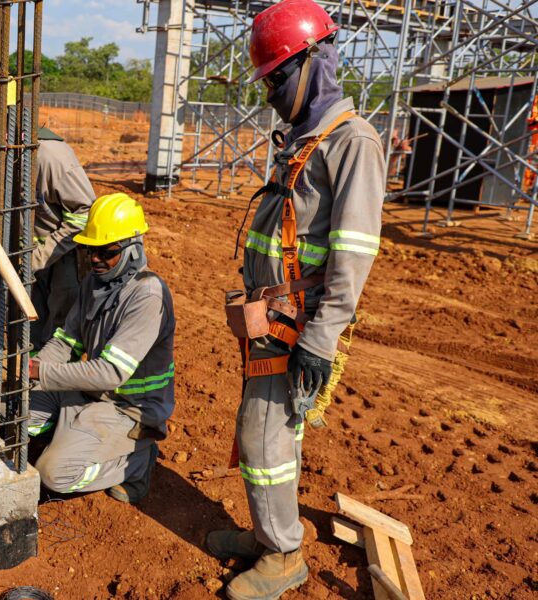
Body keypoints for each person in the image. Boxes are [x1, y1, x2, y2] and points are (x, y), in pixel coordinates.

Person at [210, 1, 386, 598]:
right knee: (272, 434)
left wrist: (321, 338)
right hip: (272, 317)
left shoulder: (352, 142)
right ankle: (269, 535)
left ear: (315, 61)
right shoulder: (305, 140)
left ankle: (283, 555)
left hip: (298, 325)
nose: (270, 93)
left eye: (277, 77)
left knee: (263, 437)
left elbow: (353, 254)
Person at [28, 193, 175, 504]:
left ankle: (136, 462)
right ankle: (74, 436)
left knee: (54, 474)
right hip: (91, 392)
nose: (95, 259)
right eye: (91, 250)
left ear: (133, 249)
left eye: (106, 252)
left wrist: (41, 372)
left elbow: (111, 373)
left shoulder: (147, 295)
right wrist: (32, 372)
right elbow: (66, 341)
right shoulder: (95, 284)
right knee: (17, 416)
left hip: (129, 408)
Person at [31, 128, 96, 347]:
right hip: (32, 258)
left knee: (60, 329)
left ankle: (53, 368)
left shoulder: (52, 157)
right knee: (31, 327)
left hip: (65, 254)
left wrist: (40, 255)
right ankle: (32, 366)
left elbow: (84, 213)